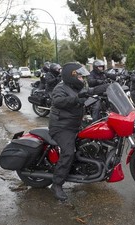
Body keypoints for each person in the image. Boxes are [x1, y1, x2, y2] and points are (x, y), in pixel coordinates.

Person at [48, 62, 91, 201]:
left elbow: (87, 96)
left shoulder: (77, 87)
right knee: (68, 152)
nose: (82, 79)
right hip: (61, 126)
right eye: (80, 76)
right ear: (71, 76)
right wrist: (77, 99)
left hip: (75, 124)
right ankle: (57, 184)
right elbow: (58, 102)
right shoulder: (60, 88)